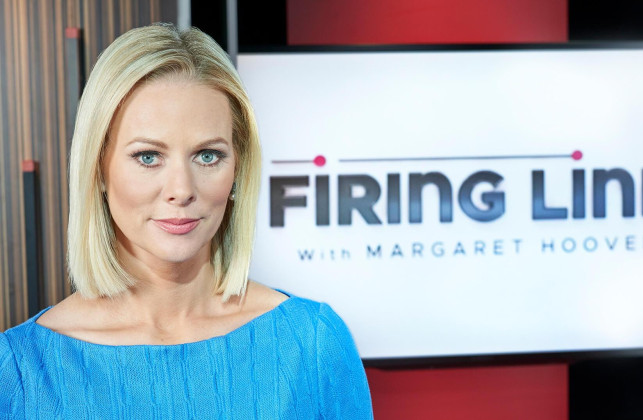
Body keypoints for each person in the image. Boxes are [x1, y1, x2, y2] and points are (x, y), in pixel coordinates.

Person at [0, 23, 373, 419]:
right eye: (148, 157)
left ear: (237, 172)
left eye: (207, 156)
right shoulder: (21, 371)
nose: (181, 189)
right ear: (99, 170)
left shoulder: (312, 344)